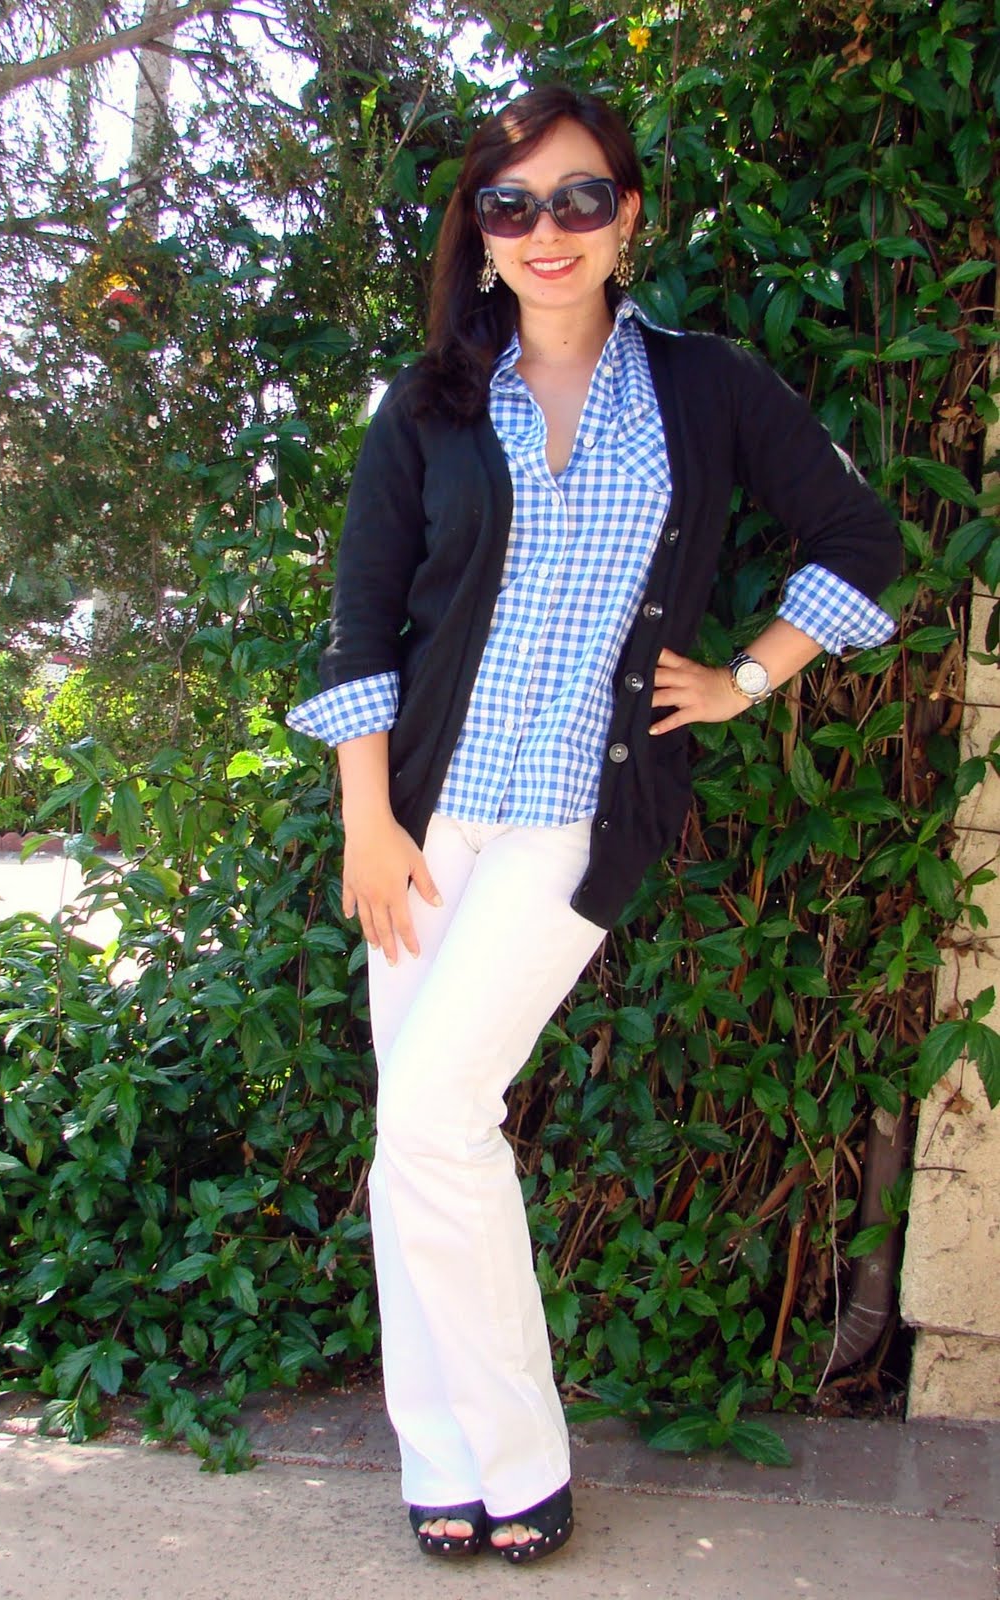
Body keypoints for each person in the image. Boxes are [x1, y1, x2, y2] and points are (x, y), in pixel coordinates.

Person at [287, 83, 900, 1563]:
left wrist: (749, 675)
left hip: (574, 819)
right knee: (416, 1142)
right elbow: (361, 626)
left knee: (434, 1118)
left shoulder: (704, 388)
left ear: (627, 214)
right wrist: (368, 822)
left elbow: (860, 543)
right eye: (511, 204)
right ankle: (446, 1461)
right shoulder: (430, 406)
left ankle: (523, 1460)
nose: (544, 230)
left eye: (576, 199)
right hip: (421, 824)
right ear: (478, 233)